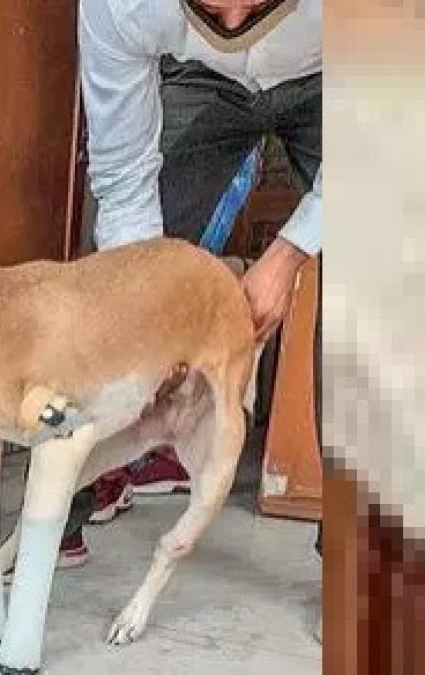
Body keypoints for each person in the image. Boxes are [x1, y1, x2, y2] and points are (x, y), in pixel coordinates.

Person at [69, 0, 324, 635]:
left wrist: (289, 253)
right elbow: (124, 178)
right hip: (200, 79)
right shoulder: (121, 4)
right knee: (113, 286)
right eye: (210, 5)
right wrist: (149, 313)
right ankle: (57, 505)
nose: (234, 22)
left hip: (344, 79)